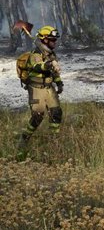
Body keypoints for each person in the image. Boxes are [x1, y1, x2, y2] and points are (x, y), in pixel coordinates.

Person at [17, 26, 64, 157]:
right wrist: (48, 64)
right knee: (38, 115)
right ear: (44, 40)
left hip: (49, 87)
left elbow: (54, 72)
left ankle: (54, 141)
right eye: (52, 40)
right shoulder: (36, 53)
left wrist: (59, 82)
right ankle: (24, 138)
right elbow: (37, 66)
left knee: (56, 113)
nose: (54, 42)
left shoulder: (51, 54)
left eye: (55, 40)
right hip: (36, 87)